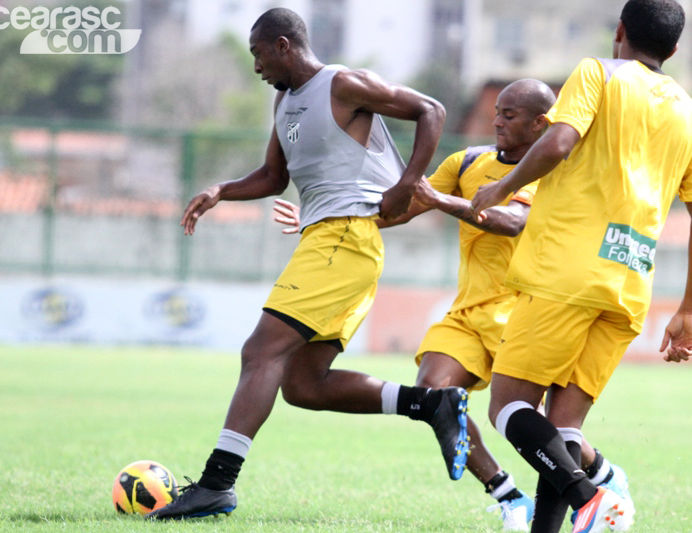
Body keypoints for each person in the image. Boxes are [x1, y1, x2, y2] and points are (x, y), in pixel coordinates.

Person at [148, 7, 471, 520]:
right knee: (303, 386)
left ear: (282, 45)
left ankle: (216, 485)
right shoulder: (284, 100)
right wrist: (220, 190)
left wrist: (409, 181)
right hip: (331, 242)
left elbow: (431, 109)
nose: (255, 67)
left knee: (260, 352)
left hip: (344, 238)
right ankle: (430, 405)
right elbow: (274, 177)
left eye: (257, 54)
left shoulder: (343, 83)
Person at [274, 79, 632, 532]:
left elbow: (512, 222)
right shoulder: (466, 162)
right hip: (467, 314)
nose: (497, 120)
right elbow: (397, 210)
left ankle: (601, 473)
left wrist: (444, 201)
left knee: (535, 426)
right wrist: (319, 215)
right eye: (497, 111)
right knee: (436, 393)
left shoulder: (552, 171)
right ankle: (509, 496)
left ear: (541, 123)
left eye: (510, 114)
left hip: (527, 311)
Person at [470, 1, 692, 532]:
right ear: (673, 50)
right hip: (629, 283)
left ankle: (592, 497)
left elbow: (560, 141)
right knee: (564, 429)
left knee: (508, 408)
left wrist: (503, 187)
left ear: (620, 32)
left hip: (567, 271)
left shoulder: (598, 73)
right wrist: (690, 309)